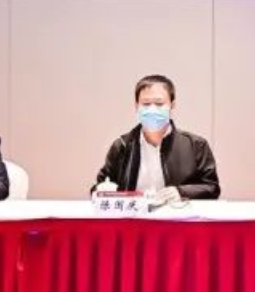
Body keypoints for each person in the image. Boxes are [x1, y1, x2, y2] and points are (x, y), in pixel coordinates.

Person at [94, 74, 221, 202]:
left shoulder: (196, 145)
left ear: (172, 105)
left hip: (177, 213)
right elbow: (99, 187)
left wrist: (181, 192)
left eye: (159, 104)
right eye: (146, 104)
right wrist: (102, 190)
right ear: (136, 106)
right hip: (134, 214)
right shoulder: (122, 146)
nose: (152, 109)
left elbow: (212, 188)